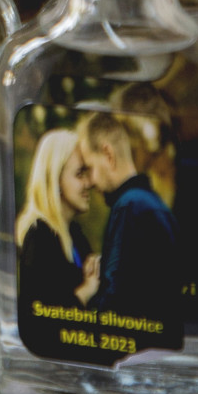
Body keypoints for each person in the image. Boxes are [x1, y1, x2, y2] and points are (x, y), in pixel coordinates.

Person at [80, 110, 183, 349]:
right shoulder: (152, 203)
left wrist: (87, 302)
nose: (90, 182)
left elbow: (114, 306)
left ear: (108, 155)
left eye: (90, 167)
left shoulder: (129, 207)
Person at [14, 128, 106, 360]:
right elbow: (42, 326)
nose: (89, 183)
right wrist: (86, 290)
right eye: (80, 174)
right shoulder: (38, 237)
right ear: (55, 178)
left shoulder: (74, 234)